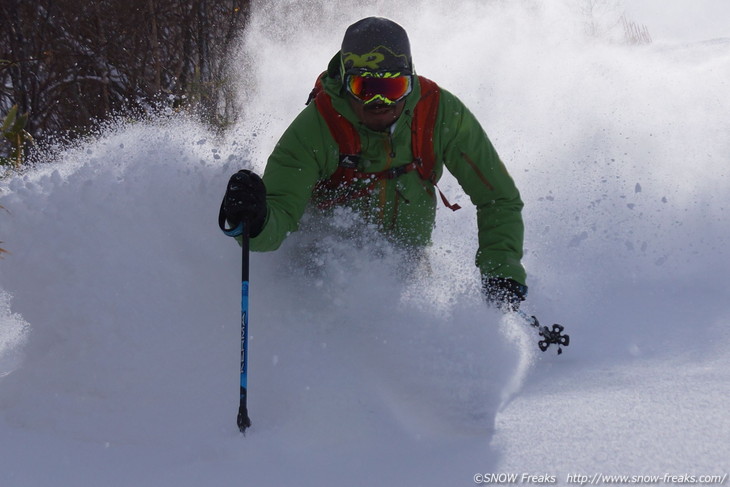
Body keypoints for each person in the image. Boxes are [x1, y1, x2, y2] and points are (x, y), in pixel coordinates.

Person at [220, 17, 527, 310]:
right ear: (344, 82)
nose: (379, 103)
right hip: (317, 271)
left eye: (392, 89)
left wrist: (502, 270)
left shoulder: (438, 113)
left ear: (410, 82)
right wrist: (254, 221)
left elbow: (497, 197)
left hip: (409, 267)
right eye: (364, 89)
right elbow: (279, 218)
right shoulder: (315, 130)